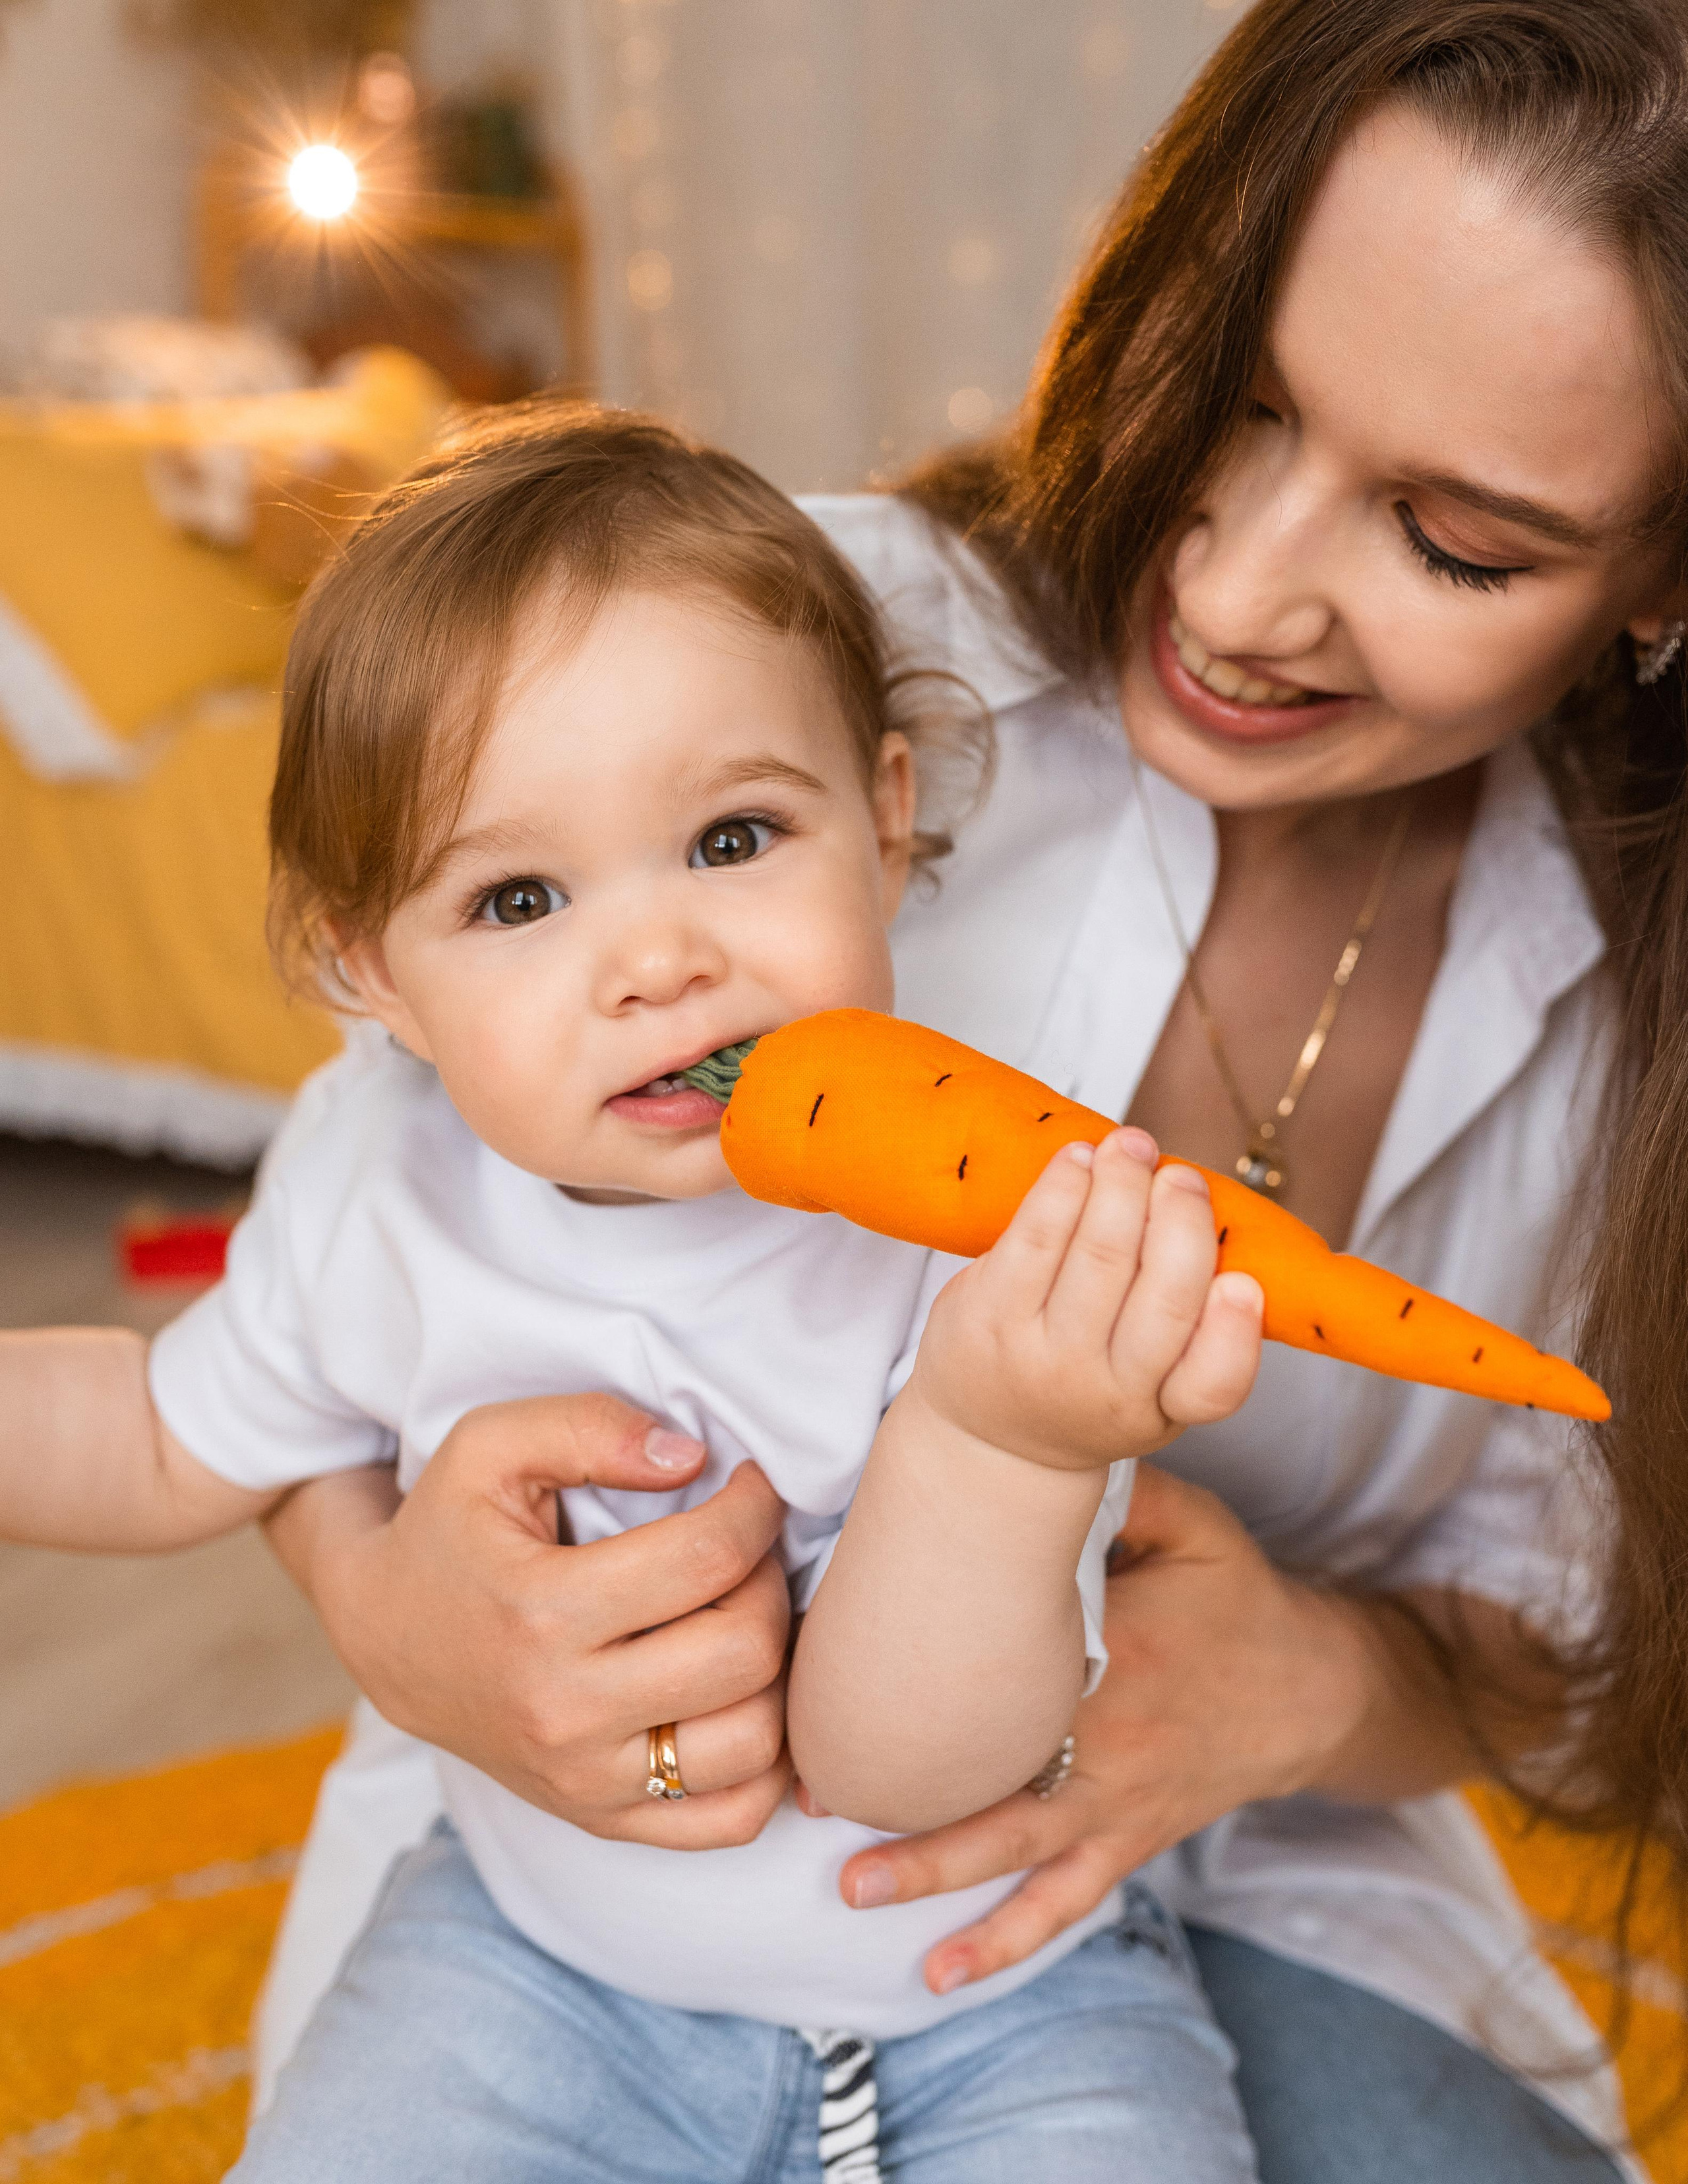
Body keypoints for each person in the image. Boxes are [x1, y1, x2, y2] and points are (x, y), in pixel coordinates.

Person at [252, 2, 1688, 2176]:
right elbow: (339, 1257)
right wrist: (399, 1616)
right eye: (1237, 393)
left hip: (1208, 1876)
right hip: (600, 1876)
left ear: (1663, 578)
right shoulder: (793, 658)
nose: (1235, 585)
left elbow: (1584, 1656)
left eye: (1457, 541)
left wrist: (1305, 1683)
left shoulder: (1629, 1001)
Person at [0, 407, 1276, 2179]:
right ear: (375, 968)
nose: (658, 956)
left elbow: (897, 1764)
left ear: (887, 823)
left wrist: (1004, 1438)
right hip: (531, 1967)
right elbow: (160, 1434)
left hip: (1005, 1996)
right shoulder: (383, 1172)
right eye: (520, 892)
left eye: (736, 839)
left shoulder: (988, 1214)